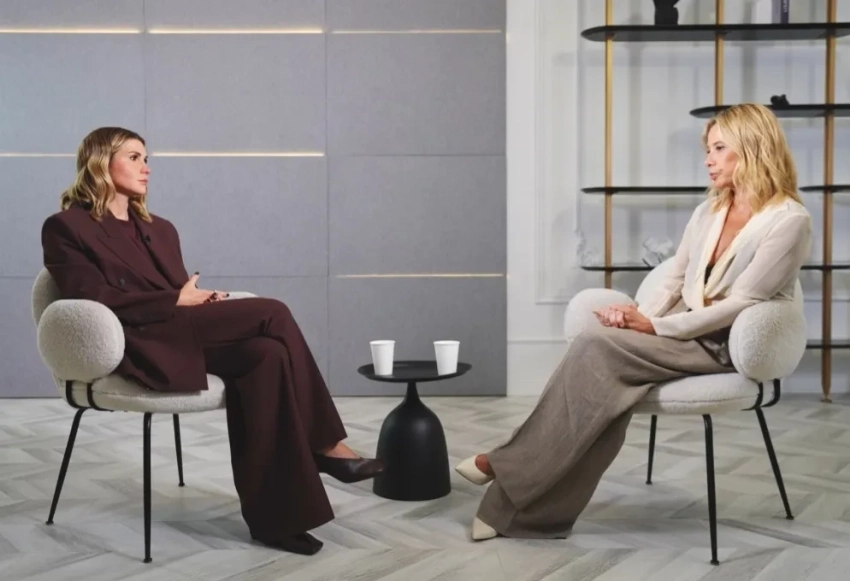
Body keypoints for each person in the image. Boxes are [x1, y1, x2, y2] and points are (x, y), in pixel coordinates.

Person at [455, 103, 813, 540]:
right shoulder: (709, 211)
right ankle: (533, 519)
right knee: (607, 386)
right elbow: (677, 278)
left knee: (595, 346)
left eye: (720, 148)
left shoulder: (789, 221)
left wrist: (654, 328)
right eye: (708, 149)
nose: (708, 159)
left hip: (722, 346)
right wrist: (640, 317)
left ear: (753, 146)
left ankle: (502, 465)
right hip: (681, 333)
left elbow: (743, 302)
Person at [41, 127, 385, 556]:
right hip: (134, 339)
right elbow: (90, 299)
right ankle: (326, 445)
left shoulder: (159, 229)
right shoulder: (66, 227)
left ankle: (277, 521)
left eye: (147, 158)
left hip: (178, 328)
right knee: (273, 311)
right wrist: (175, 300)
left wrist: (198, 299)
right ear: (100, 162)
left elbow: (177, 292)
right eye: (133, 157)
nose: (146, 168)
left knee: (266, 355)